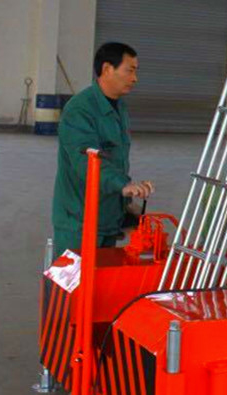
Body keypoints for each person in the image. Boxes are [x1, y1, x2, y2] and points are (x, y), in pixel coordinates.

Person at [51, 42, 154, 256]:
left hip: (107, 218)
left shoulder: (119, 106)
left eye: (136, 71)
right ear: (107, 69)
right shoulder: (79, 110)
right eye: (129, 70)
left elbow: (117, 161)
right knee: (75, 276)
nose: (135, 78)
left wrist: (126, 203)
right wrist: (122, 185)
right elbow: (86, 161)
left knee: (104, 275)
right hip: (79, 222)